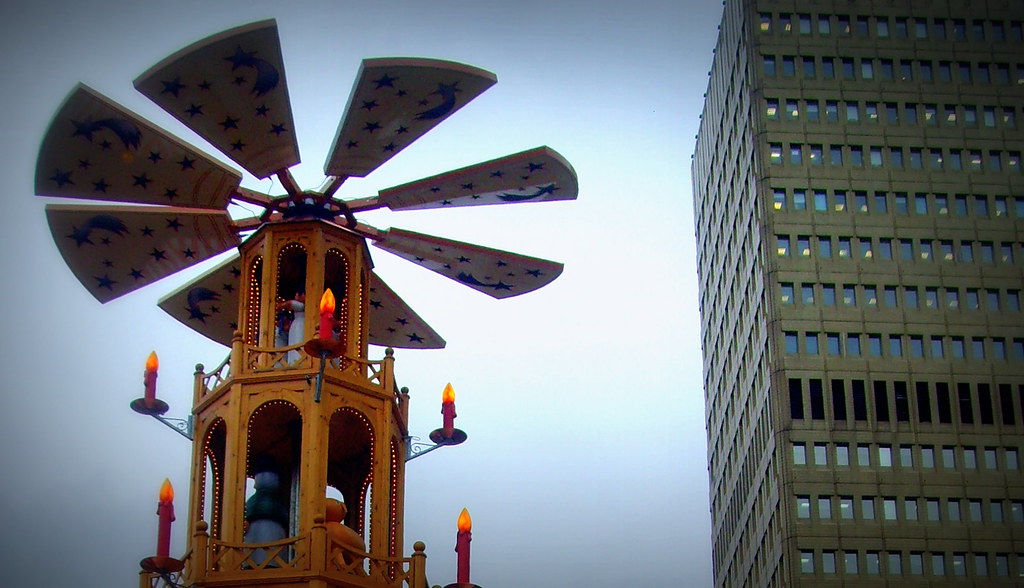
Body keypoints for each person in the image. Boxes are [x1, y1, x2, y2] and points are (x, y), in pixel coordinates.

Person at [276, 290, 305, 364]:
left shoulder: (304, 307)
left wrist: (280, 306)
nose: (296, 297)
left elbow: (291, 304)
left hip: (300, 327)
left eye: (298, 295)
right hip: (296, 327)